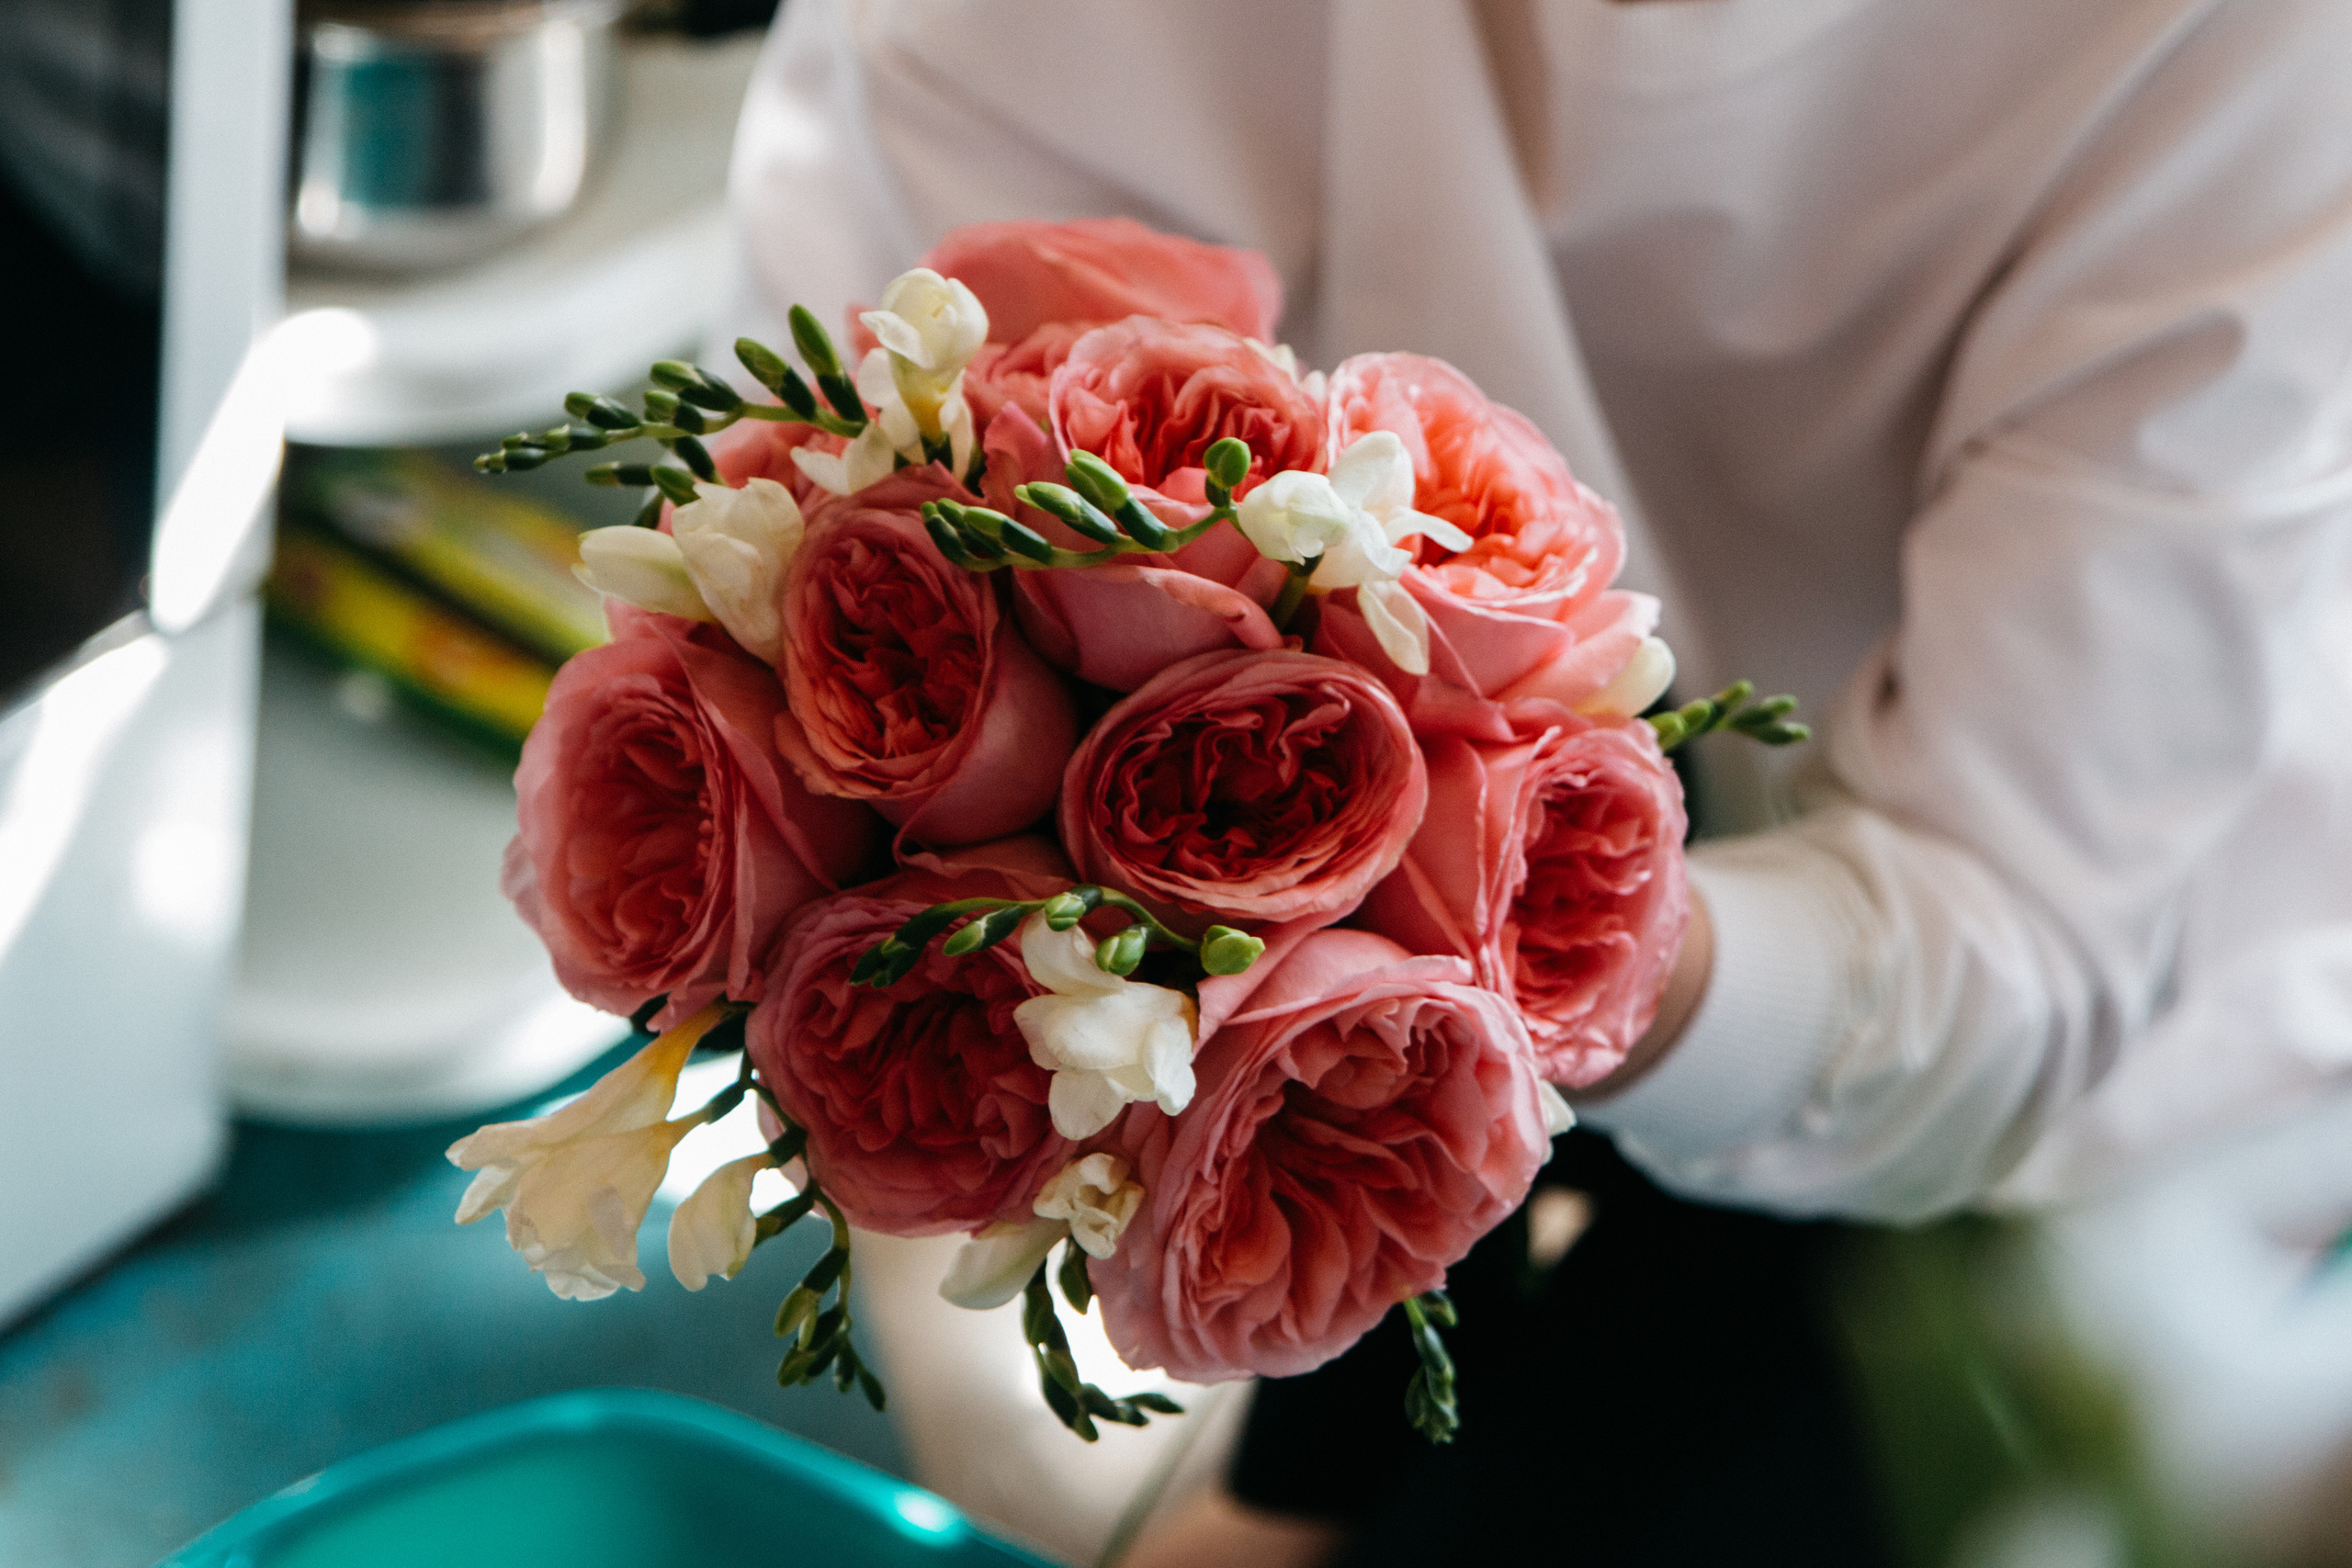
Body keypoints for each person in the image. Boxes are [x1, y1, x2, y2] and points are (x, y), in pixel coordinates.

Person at [718, 1, 2352, 1560]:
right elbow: (868, 485)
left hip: (2055, 1051)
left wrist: (1536, 929)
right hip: (1219, 1025)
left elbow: (2022, 922)